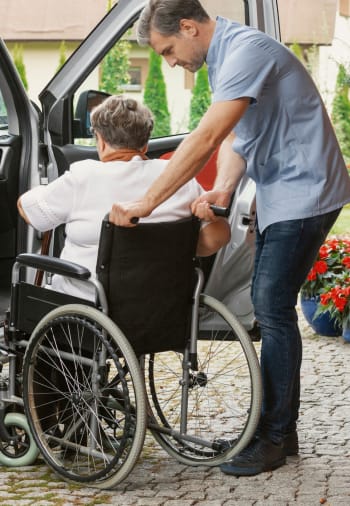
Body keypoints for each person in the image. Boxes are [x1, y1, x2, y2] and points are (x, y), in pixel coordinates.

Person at [108, 0, 350, 476]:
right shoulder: (225, 59)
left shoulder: (244, 52)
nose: (170, 61)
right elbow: (240, 136)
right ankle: (277, 428)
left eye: (168, 49)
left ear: (188, 26)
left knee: (271, 307)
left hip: (306, 192)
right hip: (284, 191)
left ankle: (275, 436)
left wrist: (147, 203)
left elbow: (206, 138)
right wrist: (224, 188)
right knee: (271, 305)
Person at [17, 94, 230, 301]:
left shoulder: (83, 176)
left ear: (100, 141)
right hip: (161, 309)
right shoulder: (179, 178)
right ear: (145, 145)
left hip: (87, 309)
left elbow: (30, 212)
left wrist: (38, 191)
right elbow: (212, 241)